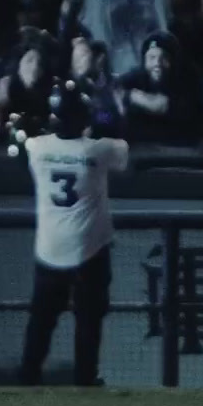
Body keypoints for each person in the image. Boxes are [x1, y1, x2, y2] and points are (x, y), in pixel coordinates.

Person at [19, 81, 129, 387]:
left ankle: (27, 377)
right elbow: (123, 143)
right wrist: (114, 107)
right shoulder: (98, 149)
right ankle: (84, 380)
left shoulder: (38, 148)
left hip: (49, 250)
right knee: (89, 321)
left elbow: (25, 139)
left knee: (41, 321)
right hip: (88, 250)